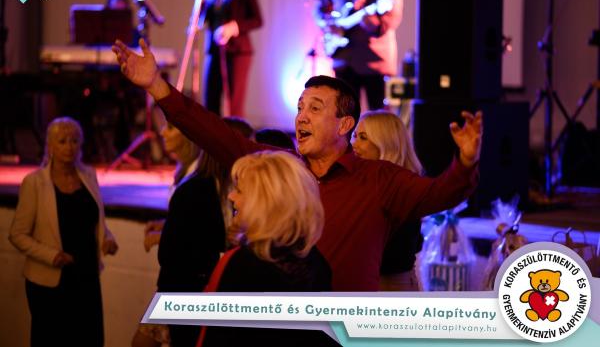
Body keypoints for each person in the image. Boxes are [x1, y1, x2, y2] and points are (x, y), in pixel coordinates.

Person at [112, 39, 482, 292]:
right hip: (285, 328)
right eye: (300, 107)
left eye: (315, 109)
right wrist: (157, 86)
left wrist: (465, 162)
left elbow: (439, 194)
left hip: (347, 332)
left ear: (344, 125)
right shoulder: (282, 169)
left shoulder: (378, 178)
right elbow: (215, 135)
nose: (301, 116)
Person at [132, 118, 253, 347]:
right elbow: (171, 255)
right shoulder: (195, 190)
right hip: (186, 294)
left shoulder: (240, 189)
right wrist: (221, 253)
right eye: (245, 146)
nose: (252, 154)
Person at [198, 151, 335, 347]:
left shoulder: (241, 264)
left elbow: (216, 337)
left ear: (262, 202)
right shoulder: (315, 261)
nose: (231, 196)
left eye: (239, 191)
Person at [9, 117, 118, 347]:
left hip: (86, 275)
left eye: (74, 140)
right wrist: (52, 255)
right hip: (50, 281)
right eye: (62, 141)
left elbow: (95, 221)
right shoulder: (35, 183)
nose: (69, 146)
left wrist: (107, 238)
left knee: (89, 339)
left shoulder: (89, 175)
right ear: (50, 145)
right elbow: (17, 234)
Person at [319, 0, 403, 109]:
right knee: (344, 114)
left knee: (378, 116)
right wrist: (328, 24)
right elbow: (320, 8)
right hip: (343, 59)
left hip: (373, 60)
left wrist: (370, 22)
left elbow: (391, 20)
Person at [351, 110, 423, 291]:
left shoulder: (401, 189)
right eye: (354, 136)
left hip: (389, 284)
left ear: (385, 144)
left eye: (363, 137)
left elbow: (396, 252)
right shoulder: (362, 182)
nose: (353, 144)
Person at [200, 0, 263, 117]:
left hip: (237, 52)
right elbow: (201, 21)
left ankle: (234, 133)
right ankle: (210, 133)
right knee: (210, 100)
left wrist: (233, 27)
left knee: (233, 102)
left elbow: (257, 20)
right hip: (215, 50)